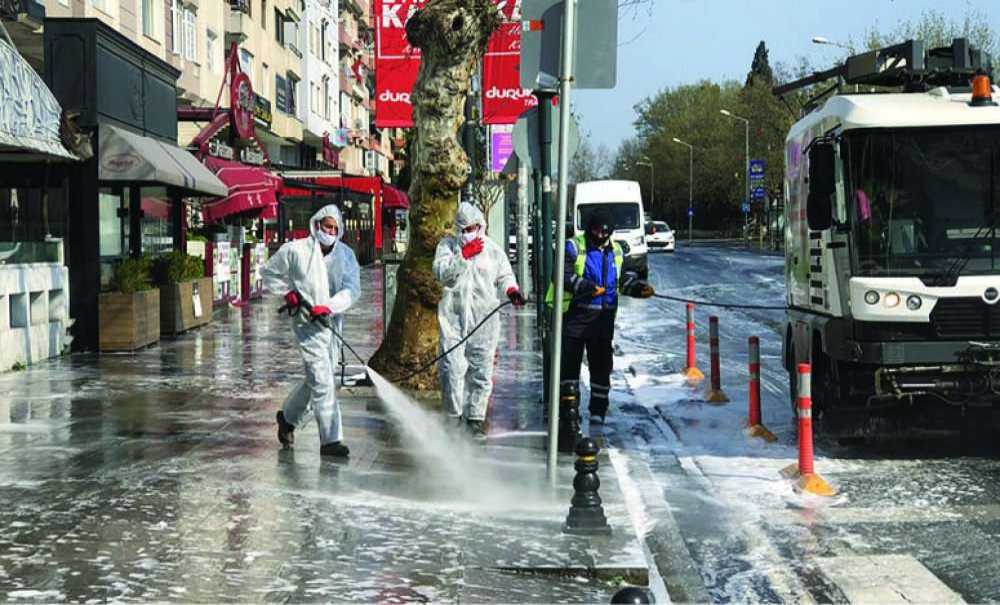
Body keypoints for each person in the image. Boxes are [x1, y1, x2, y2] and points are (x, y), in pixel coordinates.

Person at [547, 210, 654, 452]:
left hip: (603, 321)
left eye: (605, 233)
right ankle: (569, 419)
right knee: (569, 372)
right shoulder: (574, 247)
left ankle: (597, 417)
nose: (601, 236)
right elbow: (561, 276)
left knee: (601, 371)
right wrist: (585, 287)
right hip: (575, 318)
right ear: (589, 230)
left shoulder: (616, 250)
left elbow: (624, 277)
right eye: (596, 232)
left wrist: (637, 288)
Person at [262, 204, 361, 458]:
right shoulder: (296, 250)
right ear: (317, 224)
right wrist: (289, 292)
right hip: (307, 325)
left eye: (335, 228)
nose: (330, 231)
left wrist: (328, 307)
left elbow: (352, 290)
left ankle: (287, 418)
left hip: (331, 322)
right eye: (327, 226)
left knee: (316, 379)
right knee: (323, 379)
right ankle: (330, 441)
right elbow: (269, 272)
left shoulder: (346, 256)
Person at [433, 203, 525, 439]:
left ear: (480, 226)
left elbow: (505, 275)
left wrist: (512, 291)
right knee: (451, 369)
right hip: (453, 320)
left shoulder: (492, 250)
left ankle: (475, 418)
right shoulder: (447, 247)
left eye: (472, 228)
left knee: (481, 370)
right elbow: (442, 274)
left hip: (484, 320)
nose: (468, 233)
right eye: (463, 229)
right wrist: (462, 257)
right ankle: (453, 418)